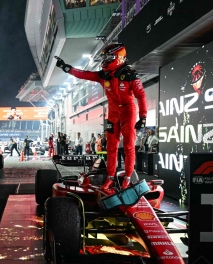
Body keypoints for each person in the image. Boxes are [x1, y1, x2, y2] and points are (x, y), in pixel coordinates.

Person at [56, 43, 147, 189]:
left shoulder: (130, 74)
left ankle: (128, 177)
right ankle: (110, 177)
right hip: (112, 112)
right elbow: (85, 74)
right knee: (111, 146)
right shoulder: (103, 75)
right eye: (105, 57)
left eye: (109, 57)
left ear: (119, 57)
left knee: (129, 146)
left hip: (128, 111)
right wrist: (67, 68)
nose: (105, 60)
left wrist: (143, 117)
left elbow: (141, 96)